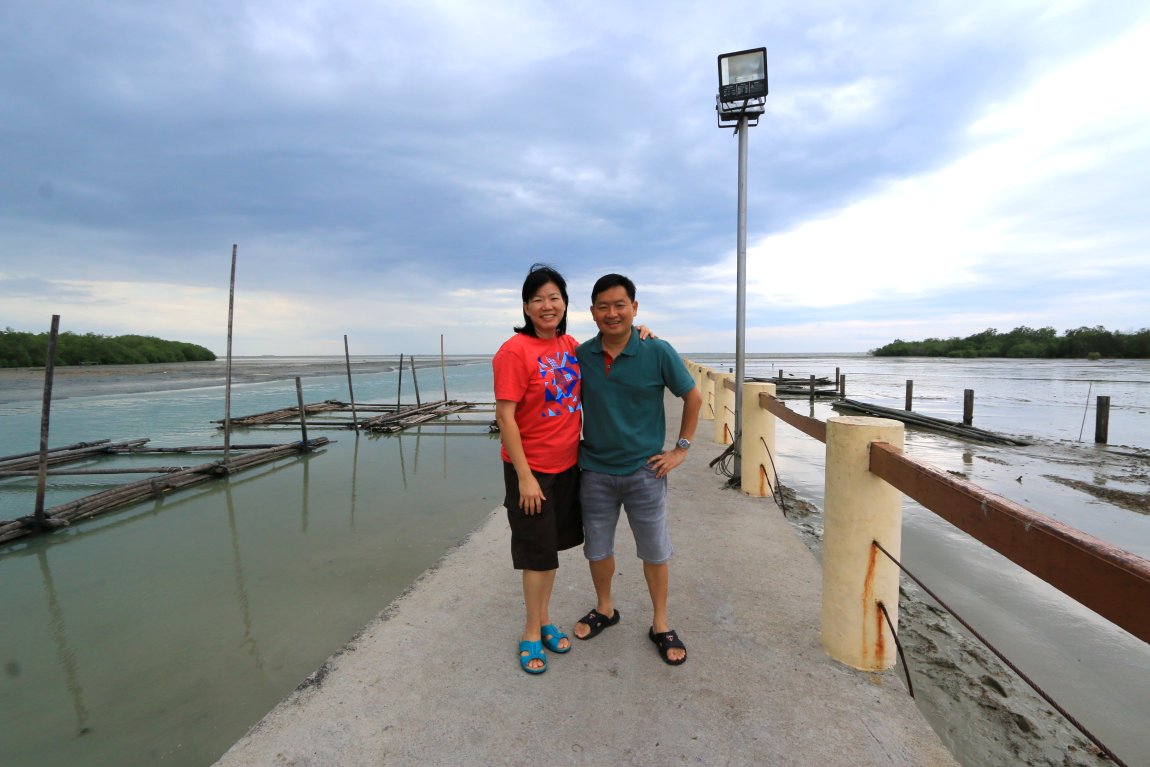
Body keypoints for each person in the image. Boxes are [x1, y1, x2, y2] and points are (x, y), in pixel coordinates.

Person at [493, 264, 656, 675]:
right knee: (537, 556)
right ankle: (532, 631)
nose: (547, 306)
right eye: (537, 299)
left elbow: (611, 344)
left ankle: (545, 620)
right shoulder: (513, 352)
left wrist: (641, 332)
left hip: (569, 467)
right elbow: (506, 418)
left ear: (565, 304)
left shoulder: (569, 346)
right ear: (527, 307)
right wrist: (526, 477)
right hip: (532, 473)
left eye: (554, 298)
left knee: (551, 553)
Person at [571, 273, 702, 666]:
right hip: (594, 469)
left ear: (634, 308)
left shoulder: (657, 351)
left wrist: (680, 450)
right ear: (592, 312)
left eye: (619, 305)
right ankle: (605, 609)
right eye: (603, 306)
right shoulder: (581, 355)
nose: (612, 313)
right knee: (597, 548)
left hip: (646, 471)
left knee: (655, 551)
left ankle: (660, 623)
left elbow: (692, 397)